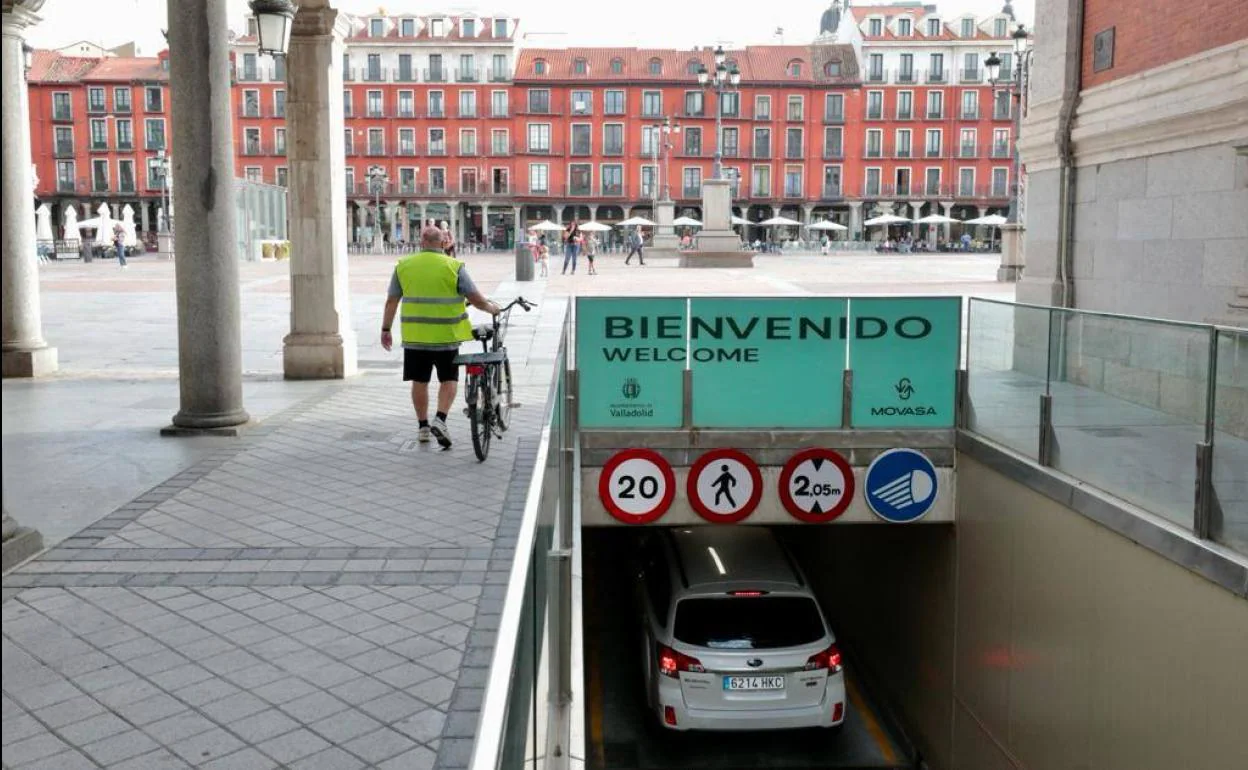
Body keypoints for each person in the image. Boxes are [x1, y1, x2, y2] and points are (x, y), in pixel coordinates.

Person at [380, 226, 500, 449]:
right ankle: (440, 420)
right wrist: (492, 309)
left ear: (421, 240)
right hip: (446, 337)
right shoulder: (453, 266)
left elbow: (391, 301)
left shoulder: (404, 266)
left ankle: (423, 427)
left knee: (419, 381)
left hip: (416, 338)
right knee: (449, 380)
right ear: (443, 243)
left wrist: (386, 329)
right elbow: (476, 298)